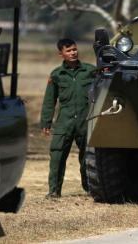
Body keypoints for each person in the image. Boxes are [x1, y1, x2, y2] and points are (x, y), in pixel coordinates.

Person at [41, 38, 96, 198]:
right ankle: (54, 191)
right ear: (61, 54)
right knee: (57, 155)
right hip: (64, 122)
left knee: (87, 157)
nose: (73, 53)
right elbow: (49, 100)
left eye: (74, 49)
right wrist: (46, 121)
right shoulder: (57, 75)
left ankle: (90, 189)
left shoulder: (90, 71)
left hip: (85, 121)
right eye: (68, 51)